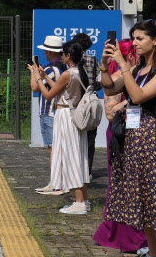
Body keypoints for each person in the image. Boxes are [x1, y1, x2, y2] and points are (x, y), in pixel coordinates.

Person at [100, 20, 156, 257]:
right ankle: (154, 255)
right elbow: (110, 88)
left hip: (147, 136)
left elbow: (137, 97)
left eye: (140, 38)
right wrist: (105, 65)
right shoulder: (138, 68)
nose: (134, 43)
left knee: (154, 198)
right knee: (141, 198)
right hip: (132, 137)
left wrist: (123, 65)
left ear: (155, 40)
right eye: (133, 38)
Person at [92, 38, 148, 252]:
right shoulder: (118, 77)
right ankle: (120, 232)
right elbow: (109, 113)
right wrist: (135, 99)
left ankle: (132, 231)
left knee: (135, 185)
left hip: (137, 133)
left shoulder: (142, 75)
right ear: (131, 56)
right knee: (122, 184)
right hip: (120, 135)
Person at [34, 39, 90, 214]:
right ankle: (84, 200)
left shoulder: (67, 73)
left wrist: (37, 78)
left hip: (66, 116)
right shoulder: (78, 71)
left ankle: (79, 202)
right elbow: (61, 90)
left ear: (68, 55)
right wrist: (45, 78)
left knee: (71, 156)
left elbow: (49, 95)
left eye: (64, 54)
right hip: (74, 114)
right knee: (79, 156)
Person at [27, 35, 67, 195]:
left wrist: (33, 72)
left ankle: (55, 183)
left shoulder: (50, 69)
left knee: (52, 148)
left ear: (50, 52)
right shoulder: (63, 68)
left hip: (49, 111)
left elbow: (35, 88)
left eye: (45, 50)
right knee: (59, 148)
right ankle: (61, 181)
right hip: (59, 111)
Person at [73, 32, 102, 178]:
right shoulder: (93, 60)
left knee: (74, 138)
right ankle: (87, 171)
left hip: (74, 103)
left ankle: (74, 169)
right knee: (90, 138)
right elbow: (100, 81)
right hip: (89, 103)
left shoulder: (71, 60)